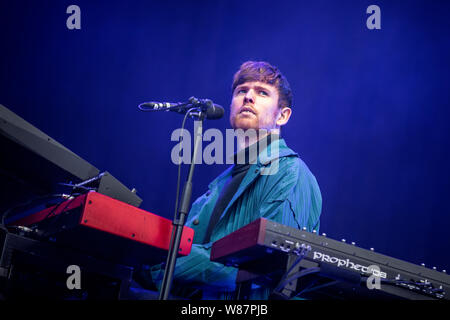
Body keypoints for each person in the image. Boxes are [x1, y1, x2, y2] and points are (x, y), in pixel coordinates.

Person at [136, 61, 322, 299]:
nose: (248, 97)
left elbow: (271, 265)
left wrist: (179, 261)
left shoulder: (290, 172)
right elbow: (168, 263)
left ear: (283, 116)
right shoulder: (220, 183)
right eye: (241, 91)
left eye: (262, 92)